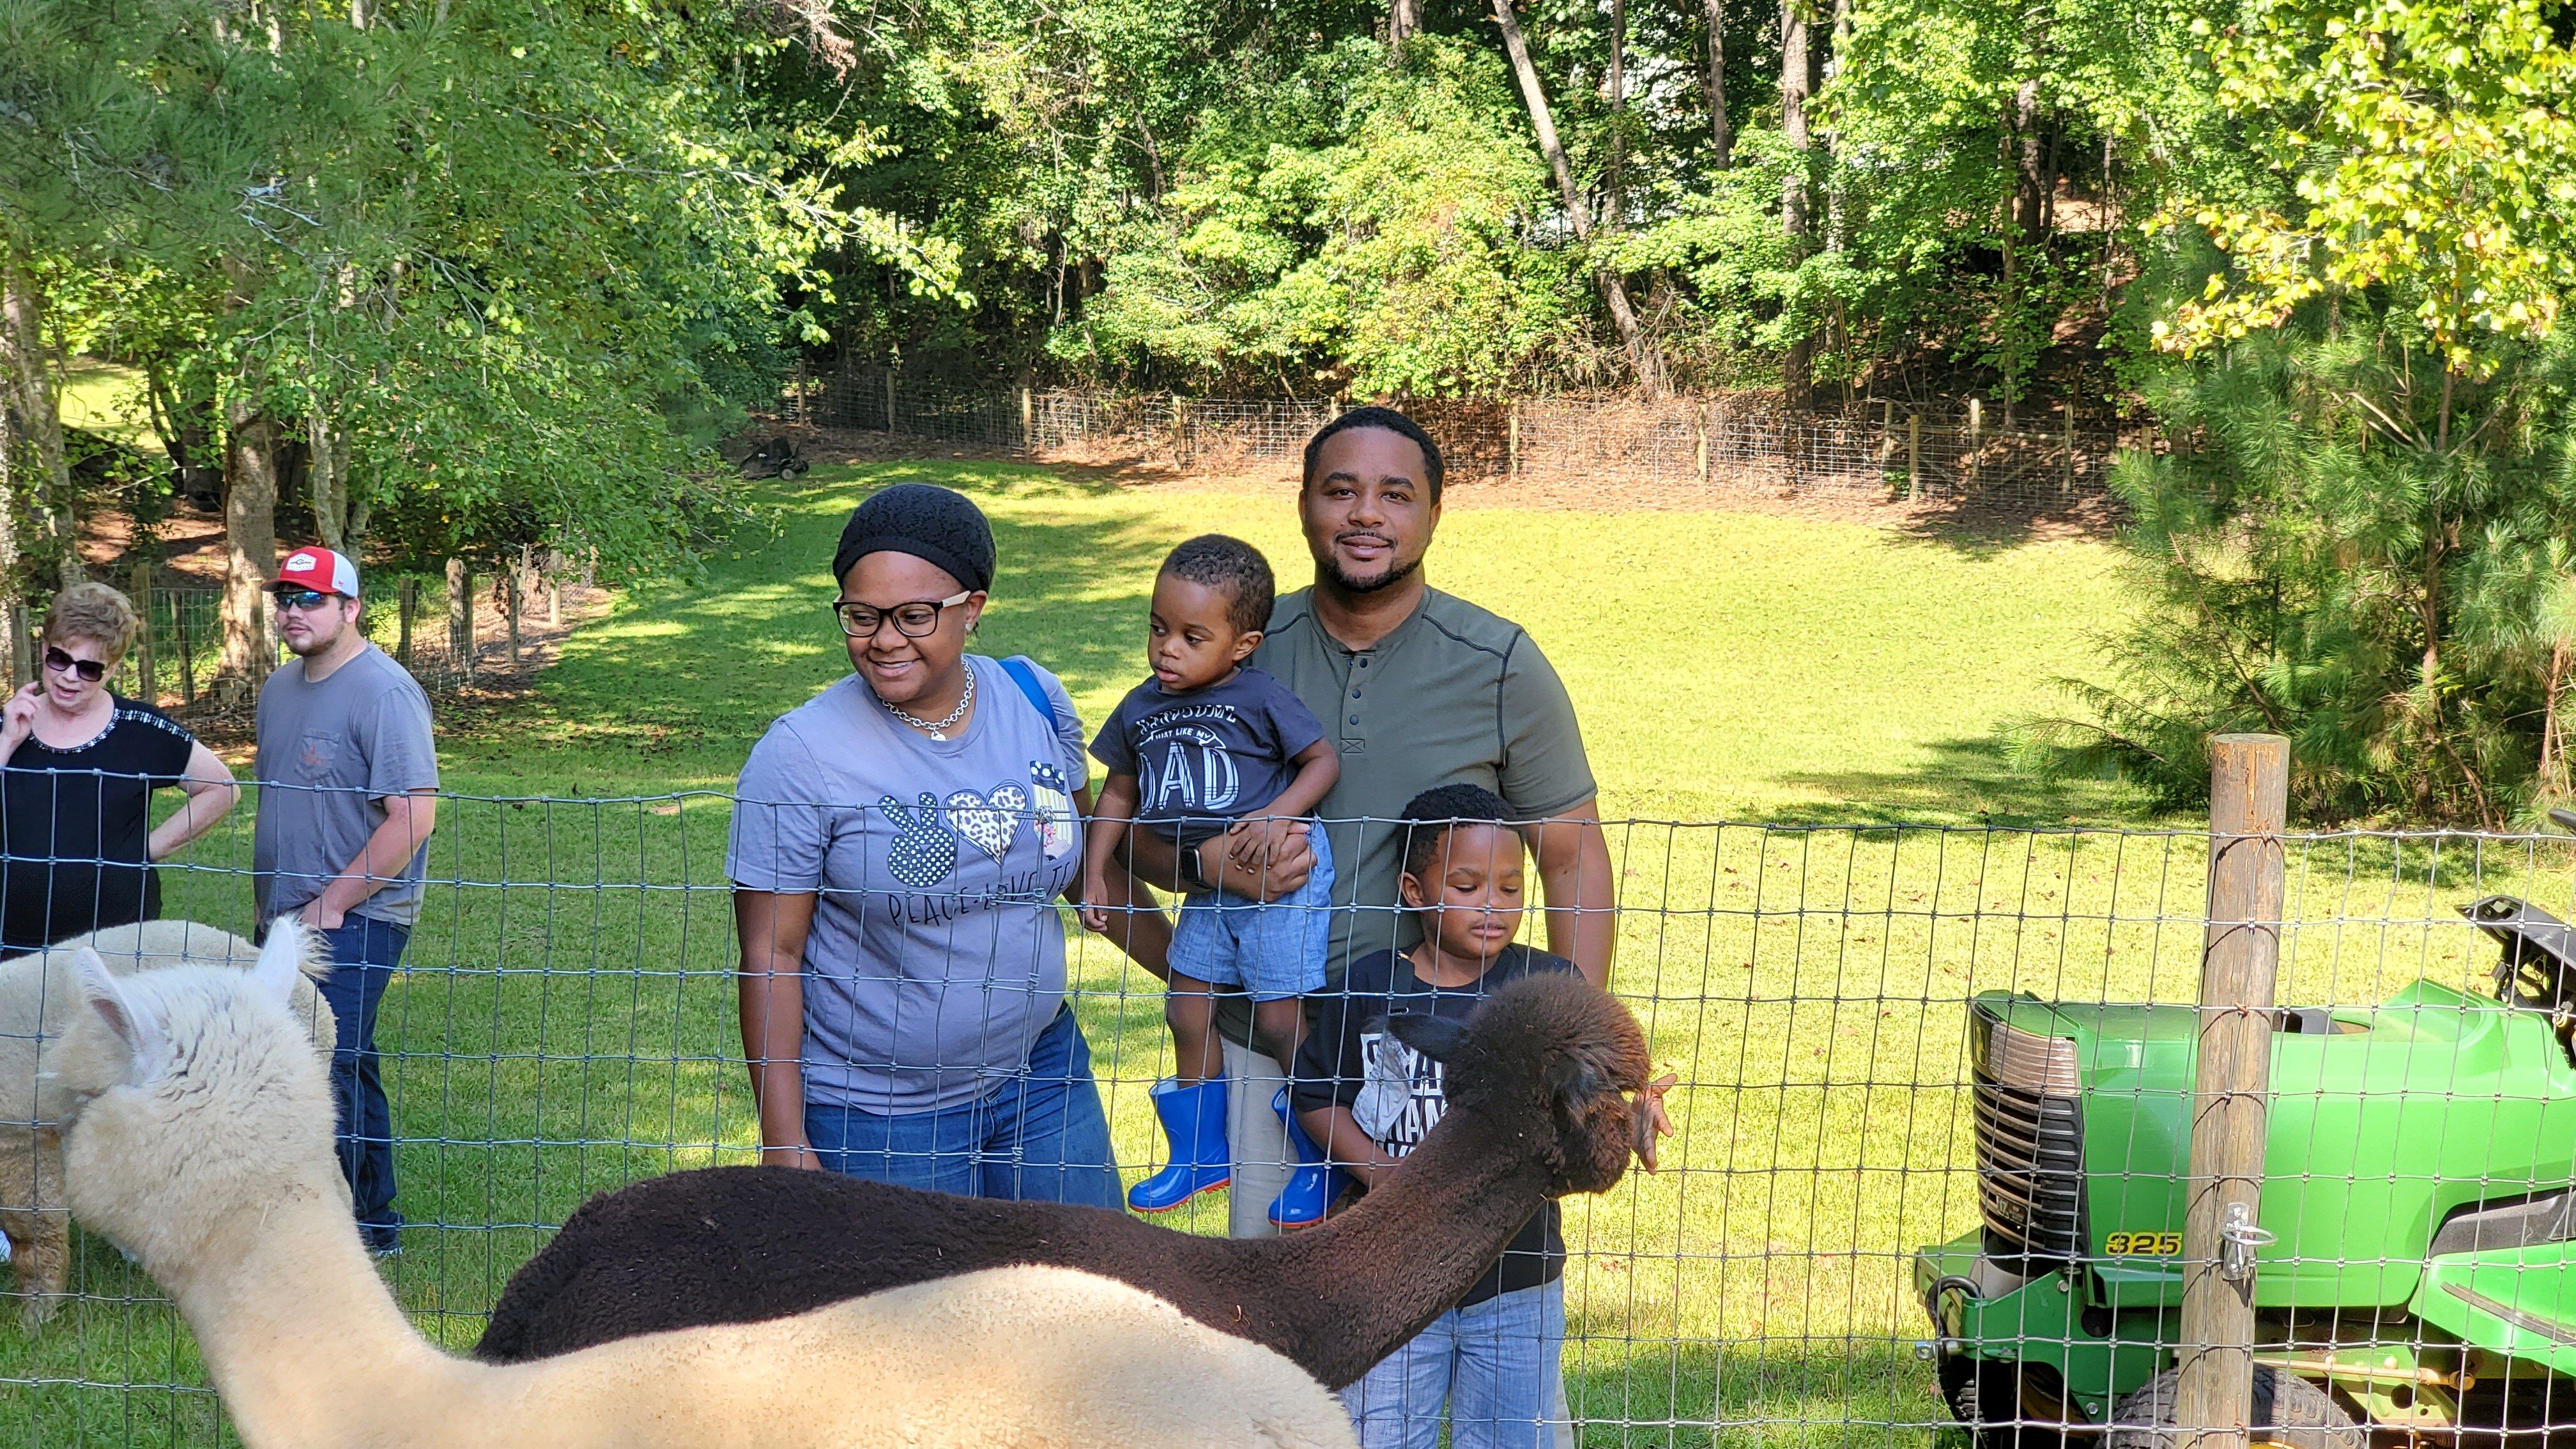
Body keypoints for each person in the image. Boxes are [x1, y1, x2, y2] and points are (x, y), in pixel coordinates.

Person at [1119, 406, 1625, 1240]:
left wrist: (1575, 1053)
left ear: (1434, 513)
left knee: (1461, 1302)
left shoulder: (1499, 665)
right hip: (1269, 1051)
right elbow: (1138, 833)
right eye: (1341, 490)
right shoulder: (1233, 649)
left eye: (1396, 494)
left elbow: (1571, 861)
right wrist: (1217, 867)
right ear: (1304, 504)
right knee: (1283, 1321)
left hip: (1447, 1058)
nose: (1366, 514)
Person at [730, 482, 1170, 1206]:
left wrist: (1192, 977)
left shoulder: (1033, 698)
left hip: (1043, 1079)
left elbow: (1089, 867)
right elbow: (771, 956)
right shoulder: (801, 754)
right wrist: (784, 1141)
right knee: (921, 1322)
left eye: (913, 615)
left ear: (973, 610)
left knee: (1083, 1304)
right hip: (881, 1117)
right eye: (861, 616)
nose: (884, 639)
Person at [1291, 785, 1594, 1449]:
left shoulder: (1550, 991)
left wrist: (1629, 1116)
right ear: (1413, 889)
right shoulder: (1368, 986)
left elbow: (1591, 1103)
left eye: (1512, 889)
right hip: (1389, 1279)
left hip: (1516, 1280)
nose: (1493, 904)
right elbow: (1316, 1094)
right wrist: (1380, 1173)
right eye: (1466, 885)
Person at [1079, 535, 1340, 1218]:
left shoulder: (1260, 697)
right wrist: (1094, 873)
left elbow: (1321, 764)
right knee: (1186, 1010)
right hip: (1206, 887)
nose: (1168, 649)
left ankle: (1321, 1159)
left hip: (1274, 880)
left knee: (1282, 1020)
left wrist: (1278, 816)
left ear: (1243, 643)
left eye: (1193, 637)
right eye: (1159, 629)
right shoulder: (1140, 707)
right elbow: (1116, 794)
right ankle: (1199, 1157)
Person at [253, 547, 441, 1257]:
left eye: (311, 600)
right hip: (285, 918)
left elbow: (414, 817)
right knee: (329, 1058)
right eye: (285, 599)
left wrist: (334, 902)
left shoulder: (384, 692)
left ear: (351, 608)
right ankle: (352, 1212)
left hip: (355, 915)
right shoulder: (279, 689)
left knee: (331, 1055)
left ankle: (362, 1227)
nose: (293, 612)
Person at [0, 582, 238, 954]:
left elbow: (221, 787)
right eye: (60, 658)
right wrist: (8, 742)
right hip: (10, 943)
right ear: (44, 650)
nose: (69, 677)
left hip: (117, 945)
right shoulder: (9, 723)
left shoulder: (142, 728)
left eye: (89, 668)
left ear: (111, 669)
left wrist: (148, 850)